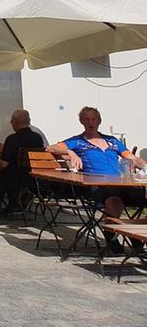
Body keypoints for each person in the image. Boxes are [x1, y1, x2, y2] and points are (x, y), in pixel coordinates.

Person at [47, 106, 146, 251]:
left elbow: (131, 157)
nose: (90, 122)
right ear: (81, 121)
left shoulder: (112, 141)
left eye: (93, 119)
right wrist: (70, 152)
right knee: (114, 200)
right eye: (86, 119)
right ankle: (112, 235)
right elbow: (50, 148)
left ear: (99, 121)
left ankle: (135, 233)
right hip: (97, 185)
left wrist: (143, 165)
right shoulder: (78, 141)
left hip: (121, 184)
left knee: (142, 196)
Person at [0, 109, 44, 212]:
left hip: (13, 177)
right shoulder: (37, 138)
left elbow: (3, 164)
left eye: (12, 122)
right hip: (32, 177)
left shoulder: (12, 139)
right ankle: (18, 199)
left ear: (16, 122)